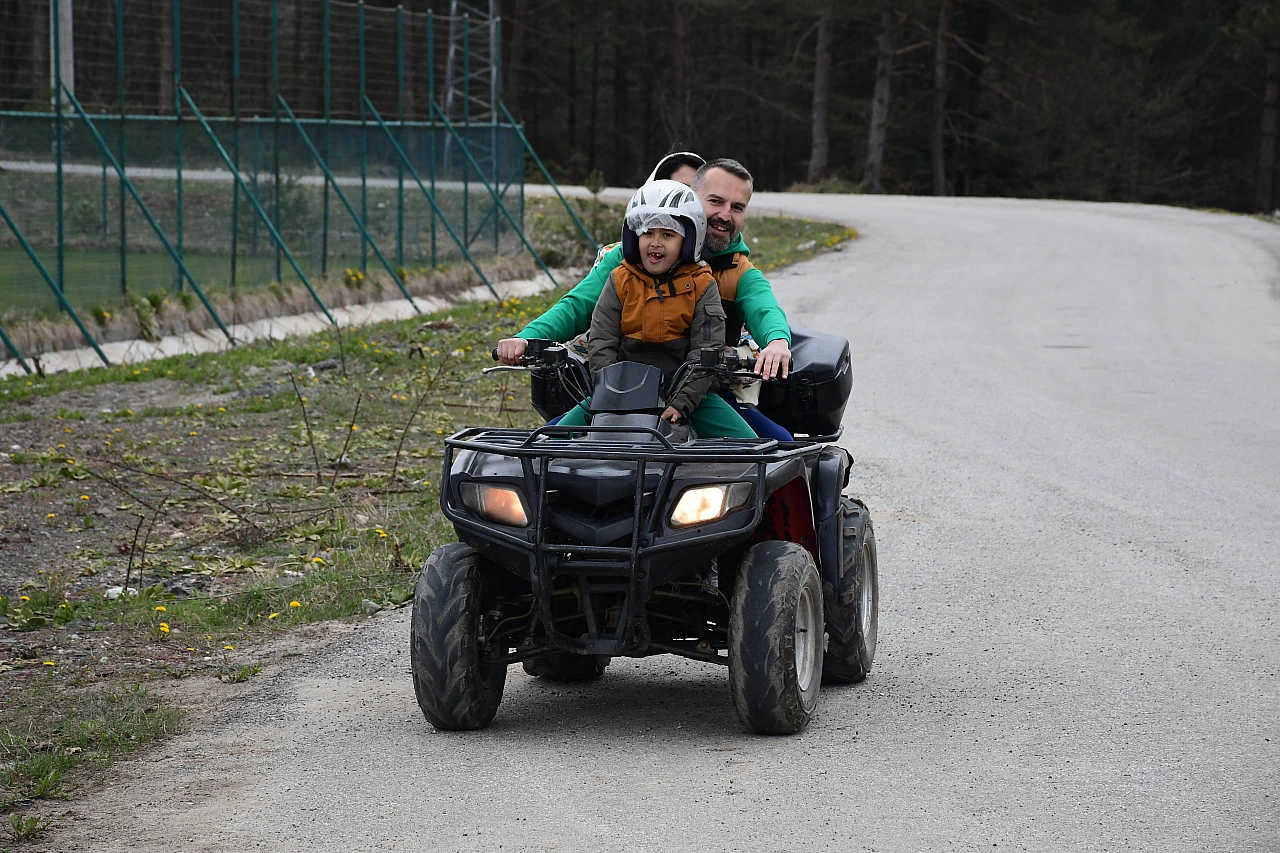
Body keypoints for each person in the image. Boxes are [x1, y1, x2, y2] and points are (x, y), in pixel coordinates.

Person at [497, 158, 791, 381]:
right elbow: (577, 305)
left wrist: (777, 342)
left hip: (701, 390)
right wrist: (529, 336)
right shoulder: (629, 257)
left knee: (769, 437)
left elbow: (764, 308)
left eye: (737, 207)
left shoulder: (737, 268)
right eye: (715, 201)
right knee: (560, 435)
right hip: (622, 386)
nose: (725, 215)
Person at [554, 181, 756, 439]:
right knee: (550, 442)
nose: (655, 243)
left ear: (688, 241)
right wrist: (610, 392)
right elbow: (601, 342)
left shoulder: (703, 285)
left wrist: (682, 401)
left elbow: (707, 349)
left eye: (668, 235)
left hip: (684, 393)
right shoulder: (619, 280)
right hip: (617, 392)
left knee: (751, 445)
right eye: (648, 233)